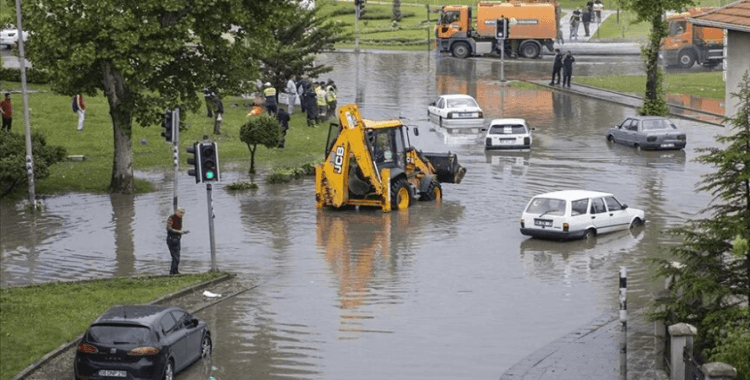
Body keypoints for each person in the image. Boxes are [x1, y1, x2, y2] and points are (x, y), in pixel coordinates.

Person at [166, 208, 189, 275]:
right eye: (181, 212)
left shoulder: (179, 219)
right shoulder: (172, 218)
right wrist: (178, 231)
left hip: (177, 239)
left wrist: (182, 232)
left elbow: (178, 228)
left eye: (183, 213)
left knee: (177, 256)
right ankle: (172, 272)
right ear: (177, 212)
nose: (182, 214)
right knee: (175, 256)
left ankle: (175, 271)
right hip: (172, 239)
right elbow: (169, 228)